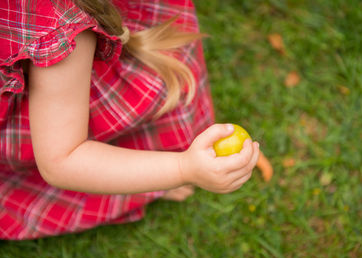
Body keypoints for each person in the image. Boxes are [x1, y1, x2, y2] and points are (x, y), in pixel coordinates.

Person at [0, 0, 259, 240]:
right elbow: (62, 160)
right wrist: (183, 168)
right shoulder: (60, 26)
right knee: (156, 84)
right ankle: (146, 171)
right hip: (46, 117)